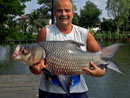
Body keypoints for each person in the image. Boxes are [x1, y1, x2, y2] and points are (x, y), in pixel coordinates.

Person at [29, 0, 106, 98]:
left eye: (67, 10)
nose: (63, 14)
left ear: (73, 13)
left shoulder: (84, 33)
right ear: (55, 13)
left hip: (79, 92)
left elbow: (102, 60)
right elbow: (33, 65)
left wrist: (100, 72)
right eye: (59, 10)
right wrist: (36, 69)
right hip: (49, 92)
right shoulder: (45, 32)